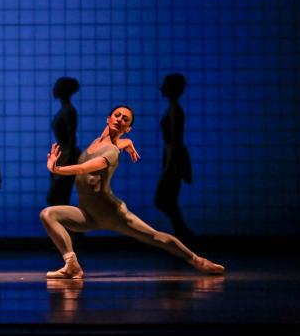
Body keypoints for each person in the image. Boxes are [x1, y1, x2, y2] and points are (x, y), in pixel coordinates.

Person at [39, 106, 224, 278]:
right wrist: (126, 143)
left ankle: (198, 260)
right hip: (88, 214)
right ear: (108, 118)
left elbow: (84, 168)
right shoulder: (97, 143)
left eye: (125, 120)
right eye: (117, 115)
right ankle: (72, 266)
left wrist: (57, 169)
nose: (120, 119)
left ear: (127, 128)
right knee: (48, 214)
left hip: (112, 213)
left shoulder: (111, 151)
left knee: (156, 237)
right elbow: (115, 142)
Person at [155, 74, 194, 239]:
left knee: (164, 199)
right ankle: (182, 233)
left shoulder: (175, 111)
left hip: (174, 157)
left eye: (164, 84)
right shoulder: (173, 109)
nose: (161, 87)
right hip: (173, 155)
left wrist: (169, 165)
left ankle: (184, 234)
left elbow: (176, 141)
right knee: (168, 199)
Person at [47, 77, 80, 207]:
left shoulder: (68, 111)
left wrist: (65, 162)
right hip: (64, 156)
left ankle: (69, 226)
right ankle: (67, 226)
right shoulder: (67, 110)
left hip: (67, 156)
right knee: (59, 198)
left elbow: (71, 138)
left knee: (58, 198)